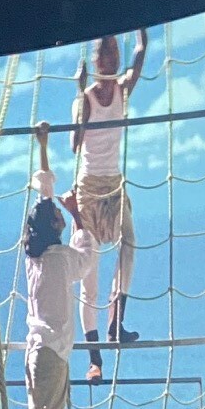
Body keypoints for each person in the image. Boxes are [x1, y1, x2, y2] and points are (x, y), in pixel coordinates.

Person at [23, 122, 95, 409]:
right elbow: (89, 255)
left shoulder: (35, 257)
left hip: (38, 356)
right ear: (55, 228)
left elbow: (44, 194)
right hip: (51, 357)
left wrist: (43, 146)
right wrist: (79, 215)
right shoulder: (60, 260)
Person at [72, 28, 147, 380]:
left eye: (117, 52)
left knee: (129, 242)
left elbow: (140, 55)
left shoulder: (123, 89)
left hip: (114, 185)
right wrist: (78, 91)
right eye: (108, 53)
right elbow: (74, 144)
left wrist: (141, 30)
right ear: (96, 59)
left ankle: (117, 321)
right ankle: (94, 357)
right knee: (89, 270)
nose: (114, 59)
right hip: (88, 187)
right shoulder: (85, 98)